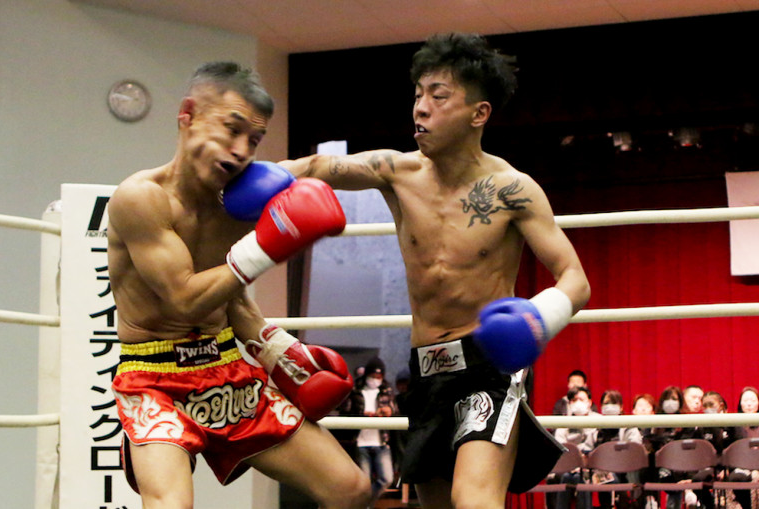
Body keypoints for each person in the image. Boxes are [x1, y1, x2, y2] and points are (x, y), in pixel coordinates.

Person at [280, 31, 591, 509]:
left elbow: (575, 278)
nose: (421, 109)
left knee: (474, 500)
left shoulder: (513, 189)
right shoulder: (396, 172)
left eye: (438, 96)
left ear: (479, 113)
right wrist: (238, 180)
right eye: (417, 95)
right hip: (426, 370)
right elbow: (317, 166)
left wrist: (537, 317)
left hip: (489, 366)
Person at [106, 61, 371, 509]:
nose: (242, 150)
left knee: (351, 490)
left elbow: (318, 165)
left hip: (226, 367)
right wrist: (267, 244)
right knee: (171, 505)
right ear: (188, 115)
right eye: (232, 130)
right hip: (154, 378)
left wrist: (277, 348)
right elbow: (185, 299)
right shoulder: (141, 198)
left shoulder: (247, 195)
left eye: (254, 139)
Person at [344, 357, 398, 508]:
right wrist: (363, 414)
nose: (375, 380)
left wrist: (388, 411)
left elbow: (394, 409)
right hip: (361, 441)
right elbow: (345, 411)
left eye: (378, 377)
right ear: (367, 375)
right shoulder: (355, 391)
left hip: (381, 440)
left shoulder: (387, 390)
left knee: (387, 478)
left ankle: (365, 505)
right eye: (372, 376)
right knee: (364, 482)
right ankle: (364, 505)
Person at [554, 386, 599, 509]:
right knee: (567, 476)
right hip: (568, 467)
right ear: (570, 403)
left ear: (589, 402)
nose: (578, 403)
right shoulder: (564, 422)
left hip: (593, 467)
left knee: (582, 477)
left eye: (581, 399)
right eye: (574, 400)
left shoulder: (599, 420)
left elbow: (599, 446)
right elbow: (560, 446)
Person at [729, 386, 759, 509]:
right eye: (746, 400)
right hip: (742, 467)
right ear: (740, 404)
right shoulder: (733, 425)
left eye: (753, 400)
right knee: (736, 477)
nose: (749, 404)